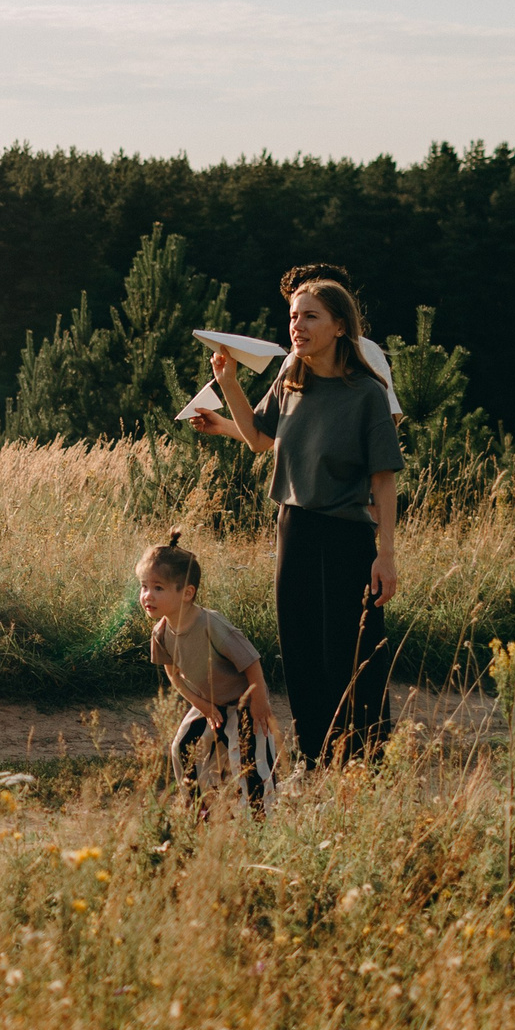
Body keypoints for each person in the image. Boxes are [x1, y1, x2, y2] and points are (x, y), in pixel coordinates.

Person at [188, 273, 404, 765]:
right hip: (294, 529)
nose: (297, 326)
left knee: (352, 653)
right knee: (301, 650)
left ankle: (365, 763)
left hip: (348, 535)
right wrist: (228, 382)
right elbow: (259, 439)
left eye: (310, 316)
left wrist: (386, 555)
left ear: (340, 326)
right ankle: (315, 759)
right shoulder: (290, 379)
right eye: (293, 316)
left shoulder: (367, 394)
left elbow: (384, 478)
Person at [138, 530, 276, 810]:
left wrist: (259, 702)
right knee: (184, 748)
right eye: (144, 586)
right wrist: (202, 705)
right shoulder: (161, 633)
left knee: (249, 763)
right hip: (208, 704)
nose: (147, 595)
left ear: (187, 593)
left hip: (244, 704)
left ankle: (262, 820)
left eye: (158, 588)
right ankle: (202, 812)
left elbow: (251, 661)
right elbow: (174, 676)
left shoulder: (211, 625)